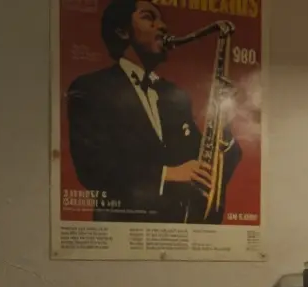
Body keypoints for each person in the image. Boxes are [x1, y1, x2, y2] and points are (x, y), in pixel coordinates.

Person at [65, 0, 242, 224]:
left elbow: (204, 163)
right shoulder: (90, 89)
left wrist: (223, 127)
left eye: (161, 19)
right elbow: (92, 168)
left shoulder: (175, 95)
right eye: (149, 17)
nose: (163, 26)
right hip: (122, 235)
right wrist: (167, 174)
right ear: (122, 31)